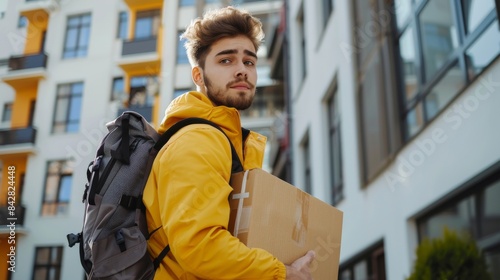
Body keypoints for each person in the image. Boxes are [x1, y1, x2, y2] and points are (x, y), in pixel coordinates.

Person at [143, 6, 315, 279]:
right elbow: (200, 247)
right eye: (226, 61)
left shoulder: (224, 139)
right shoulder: (198, 140)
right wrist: (283, 273)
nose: (242, 71)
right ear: (198, 76)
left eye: (249, 62)